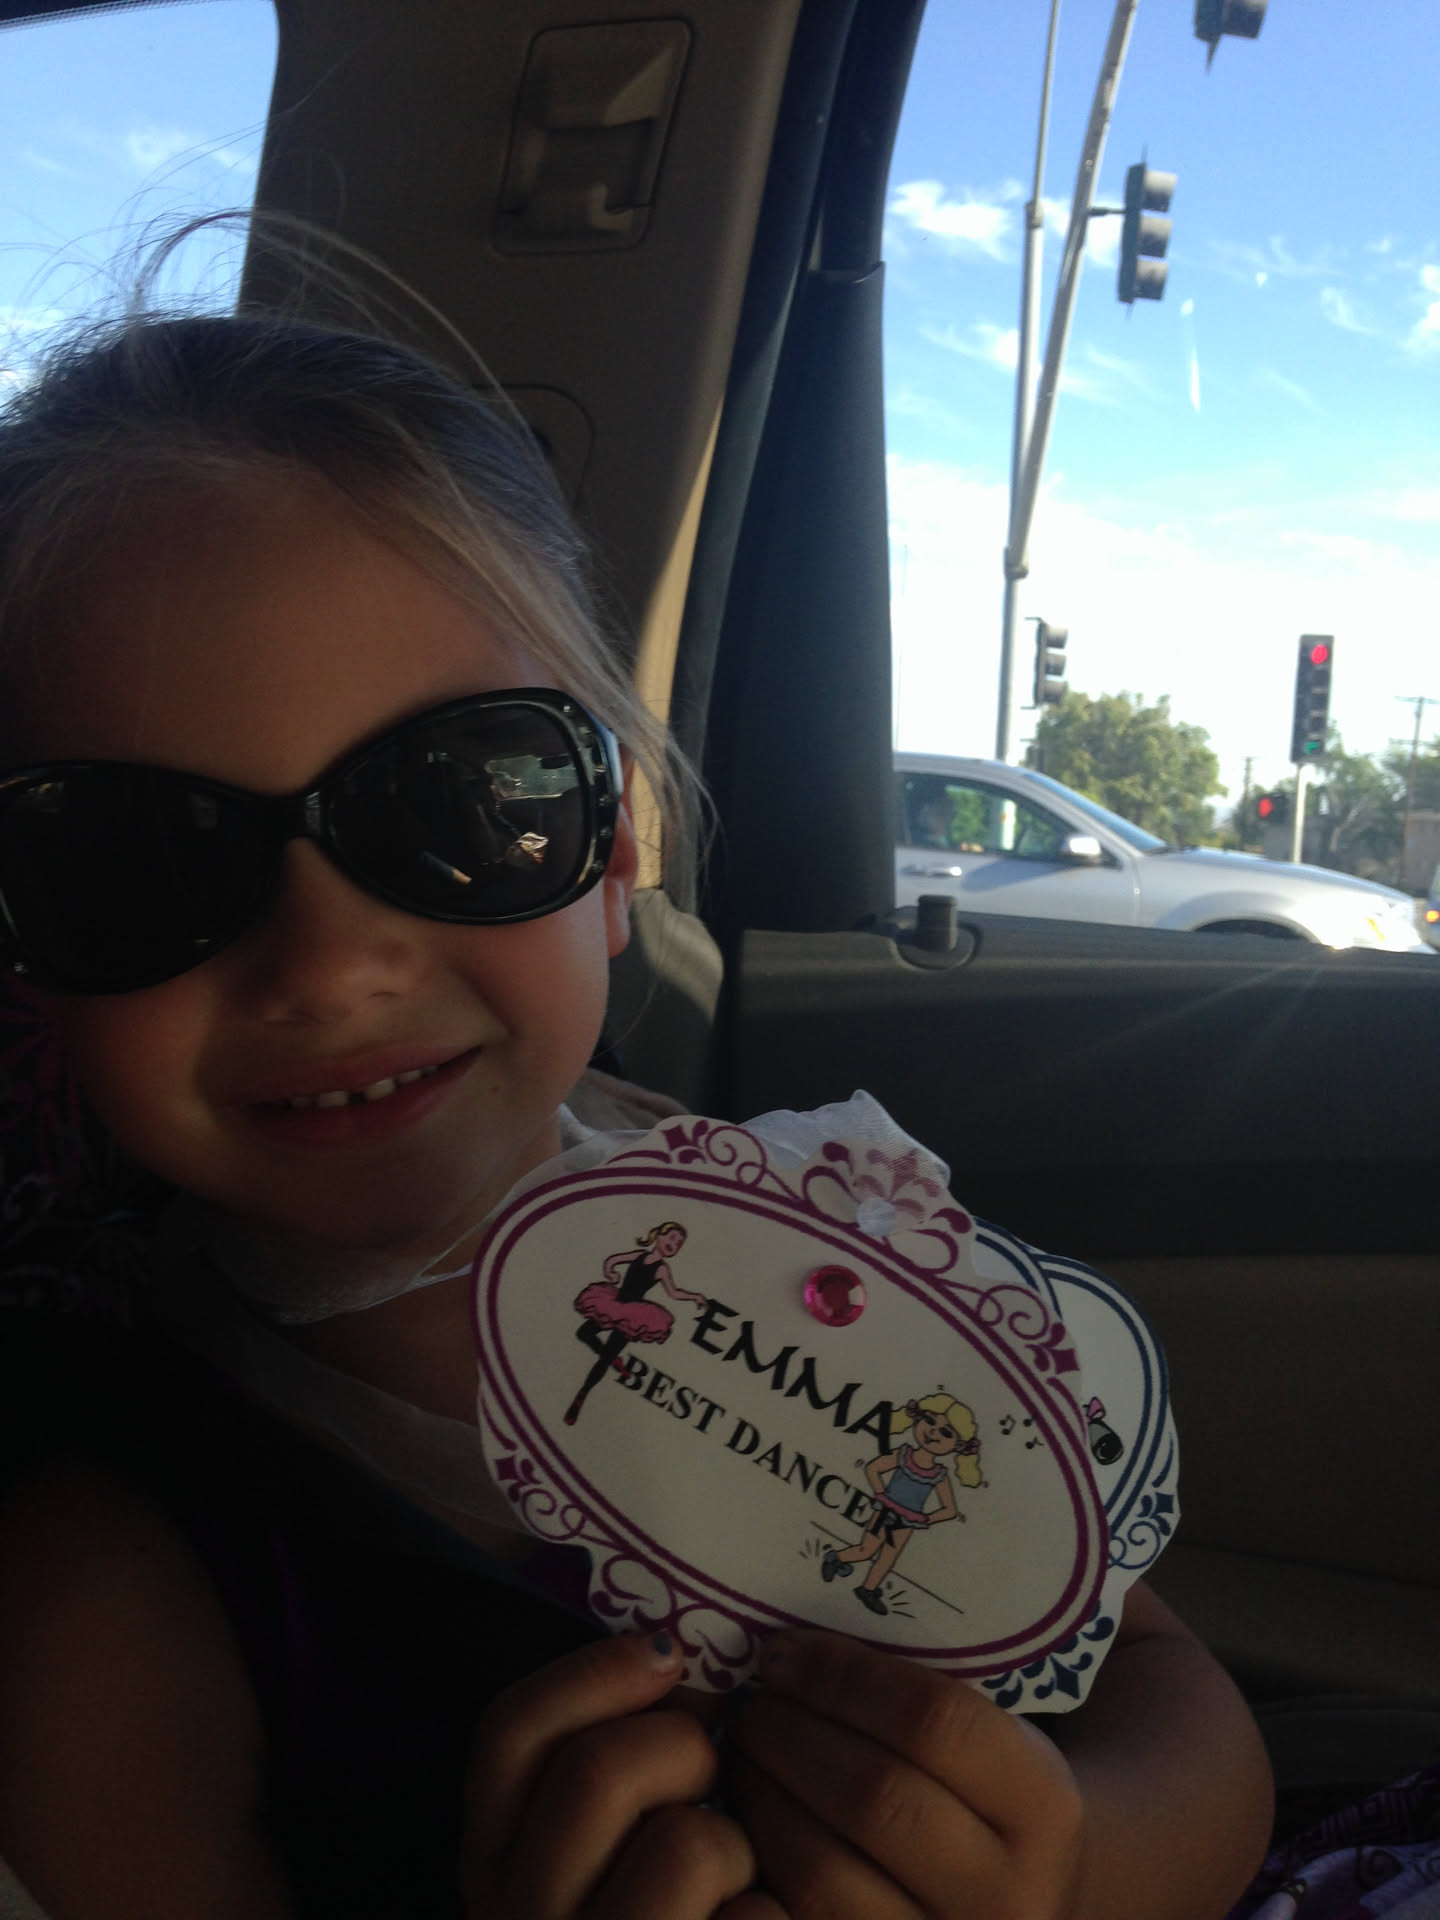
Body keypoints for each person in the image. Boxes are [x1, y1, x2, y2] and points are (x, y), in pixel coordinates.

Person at [0, 307, 1273, 1919]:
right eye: (133, 861)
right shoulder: (95, 1594)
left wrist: (1069, 1860)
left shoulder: (802, 1243)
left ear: (612, 858)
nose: (323, 964)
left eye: (467, 799)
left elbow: (1174, 1700)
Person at [820, 1391, 980, 1616]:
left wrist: (925, 1518)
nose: (933, 1432)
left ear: (957, 1446)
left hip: (907, 1521)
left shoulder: (939, 1475)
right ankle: (834, 1558)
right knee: (867, 1550)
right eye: (929, 1421)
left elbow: (950, 1510)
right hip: (885, 1511)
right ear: (918, 1418)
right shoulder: (904, 1455)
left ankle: (867, 1589)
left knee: (887, 1559)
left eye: (946, 1433)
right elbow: (873, 1468)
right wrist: (880, 1494)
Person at [565, 1221, 706, 1426]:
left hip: (633, 1316)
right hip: (613, 1304)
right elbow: (613, 1260)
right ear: (658, 1235)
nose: (673, 1244)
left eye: (678, 1244)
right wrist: (610, 1272)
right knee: (584, 1333)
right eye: (672, 1238)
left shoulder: (662, 1269)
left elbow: (674, 1292)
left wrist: (695, 1297)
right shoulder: (639, 1255)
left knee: (603, 1360)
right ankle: (614, 1360)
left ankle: (581, 1395)